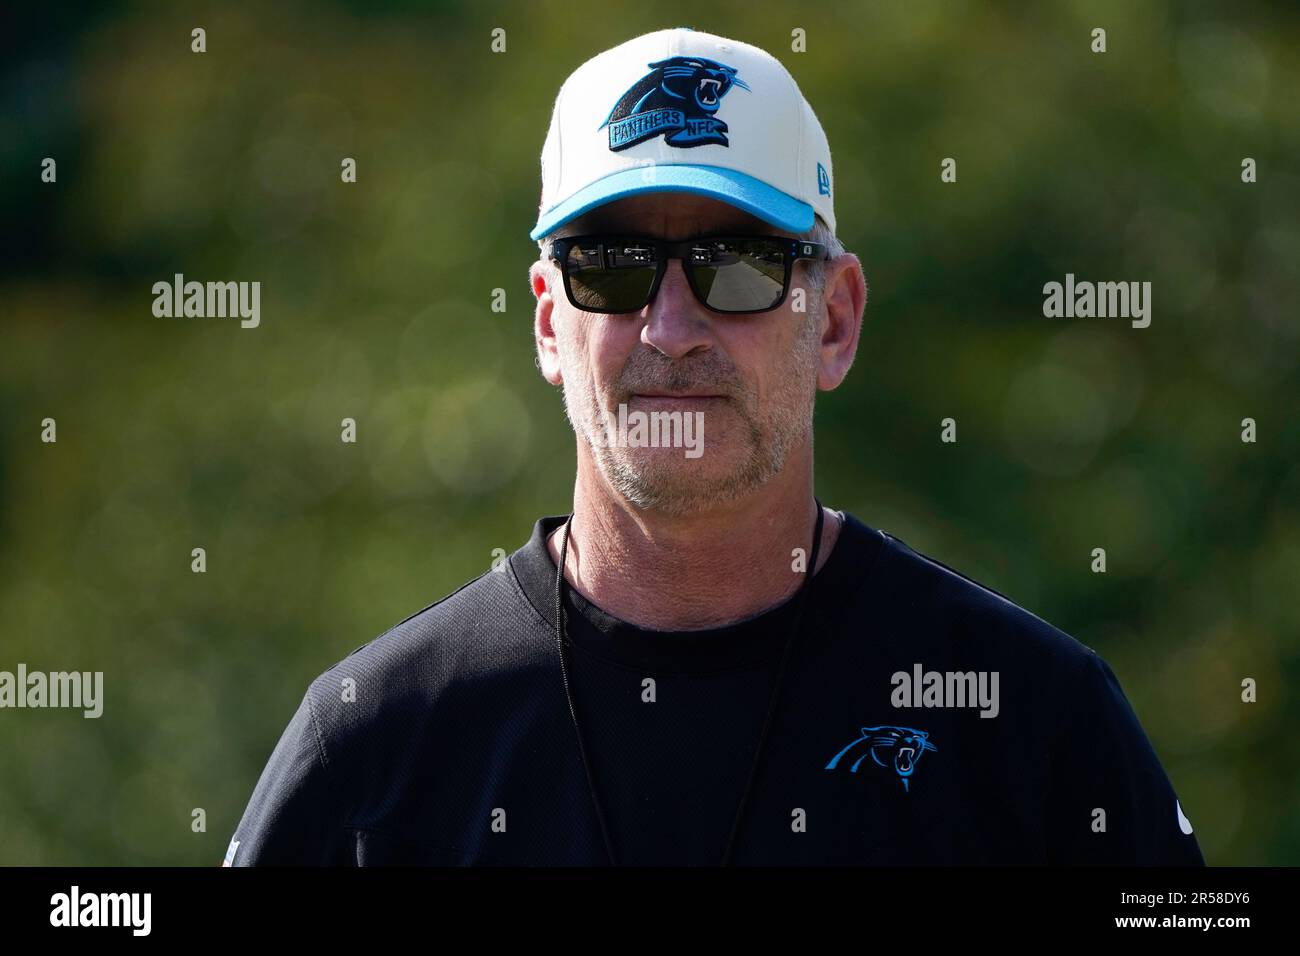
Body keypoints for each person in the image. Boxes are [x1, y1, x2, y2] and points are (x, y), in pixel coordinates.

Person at [226, 27, 1204, 866]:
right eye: (610, 267)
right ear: (546, 324)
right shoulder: (373, 743)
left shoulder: (1031, 721)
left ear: (833, 320)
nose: (668, 329)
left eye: (735, 265)